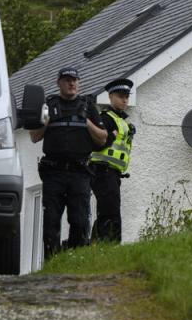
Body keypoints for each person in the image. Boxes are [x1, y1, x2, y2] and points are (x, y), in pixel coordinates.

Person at [29, 66, 107, 257]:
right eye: (67, 80)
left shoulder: (88, 106)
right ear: (59, 83)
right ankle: (51, 261)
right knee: (51, 223)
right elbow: (34, 136)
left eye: (74, 80)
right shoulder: (49, 105)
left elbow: (103, 138)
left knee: (79, 221)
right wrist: (47, 119)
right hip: (54, 172)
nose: (71, 83)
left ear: (78, 82)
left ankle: (74, 258)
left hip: (79, 173)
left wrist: (86, 121)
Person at [89, 77, 135, 243]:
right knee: (110, 212)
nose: (124, 100)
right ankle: (109, 244)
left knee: (109, 210)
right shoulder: (106, 119)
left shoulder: (121, 121)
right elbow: (96, 145)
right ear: (110, 97)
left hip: (112, 174)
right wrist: (110, 136)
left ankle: (98, 245)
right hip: (102, 171)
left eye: (126, 96)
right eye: (120, 96)